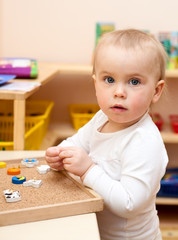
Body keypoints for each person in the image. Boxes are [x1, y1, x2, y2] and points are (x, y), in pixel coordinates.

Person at [45, 29, 169, 240]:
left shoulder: (144, 142)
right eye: (109, 80)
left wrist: (88, 170)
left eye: (134, 82)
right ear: (95, 84)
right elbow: (77, 142)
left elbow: (129, 203)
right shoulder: (102, 118)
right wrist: (60, 153)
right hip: (95, 230)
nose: (119, 92)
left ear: (156, 91)